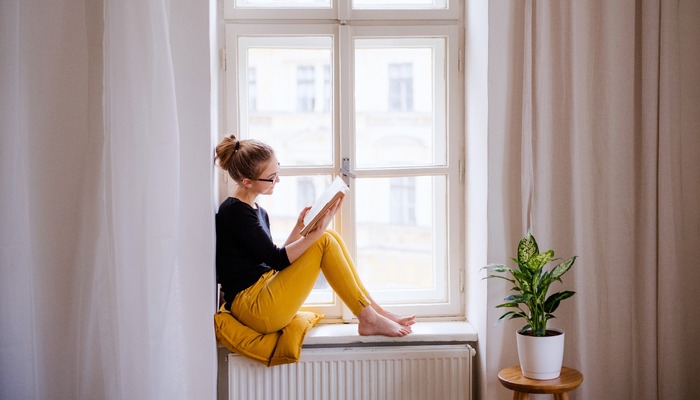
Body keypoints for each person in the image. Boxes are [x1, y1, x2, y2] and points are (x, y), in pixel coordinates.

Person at [215, 134, 415, 337]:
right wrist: (314, 235)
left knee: (330, 236)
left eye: (278, 171)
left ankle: (375, 312)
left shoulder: (256, 209)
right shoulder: (235, 212)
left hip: (261, 292)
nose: (278, 180)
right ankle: (369, 319)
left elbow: (270, 260)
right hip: (254, 308)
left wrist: (299, 228)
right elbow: (277, 260)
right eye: (271, 177)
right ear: (247, 182)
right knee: (324, 239)